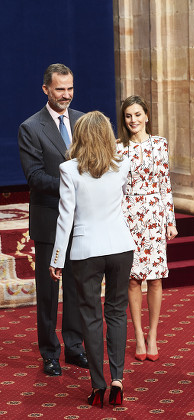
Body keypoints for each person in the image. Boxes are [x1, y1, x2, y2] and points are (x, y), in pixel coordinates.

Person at [49, 111, 135, 407]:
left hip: (86, 251)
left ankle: (98, 386)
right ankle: (118, 380)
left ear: (80, 135)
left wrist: (57, 258)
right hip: (121, 246)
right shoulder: (122, 164)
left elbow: (65, 218)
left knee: (91, 315)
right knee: (117, 312)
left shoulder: (69, 169)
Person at [18, 63, 88, 376]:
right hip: (49, 221)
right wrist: (74, 185)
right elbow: (35, 177)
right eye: (60, 89)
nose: (66, 95)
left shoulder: (83, 121)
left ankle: (74, 349)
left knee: (77, 289)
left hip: (82, 221)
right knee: (49, 292)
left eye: (70, 88)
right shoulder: (31, 127)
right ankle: (49, 353)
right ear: (46, 89)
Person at [117, 95, 178, 362]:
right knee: (133, 279)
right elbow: (116, 189)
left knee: (155, 278)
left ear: (147, 116)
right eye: (129, 116)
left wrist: (171, 220)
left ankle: (153, 335)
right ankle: (138, 336)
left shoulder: (160, 145)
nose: (133, 120)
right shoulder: (119, 148)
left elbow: (165, 184)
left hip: (155, 215)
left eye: (138, 114)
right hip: (129, 216)